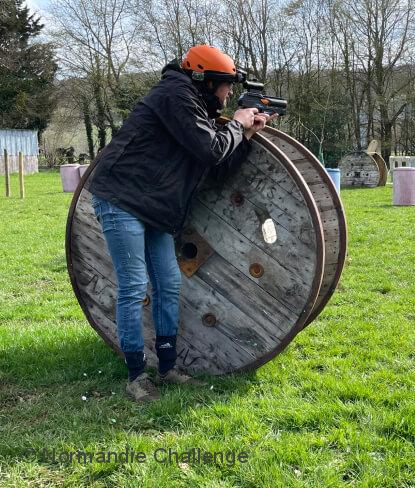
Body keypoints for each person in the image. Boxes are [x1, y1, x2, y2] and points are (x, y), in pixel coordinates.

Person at [88, 45, 275, 402]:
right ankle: (136, 376)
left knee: (169, 284)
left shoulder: (197, 107)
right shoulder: (175, 94)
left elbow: (216, 169)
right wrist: (237, 122)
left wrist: (246, 135)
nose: (229, 93)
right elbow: (210, 149)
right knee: (133, 286)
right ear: (207, 81)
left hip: (155, 206)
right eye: (225, 85)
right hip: (122, 198)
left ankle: (168, 367)